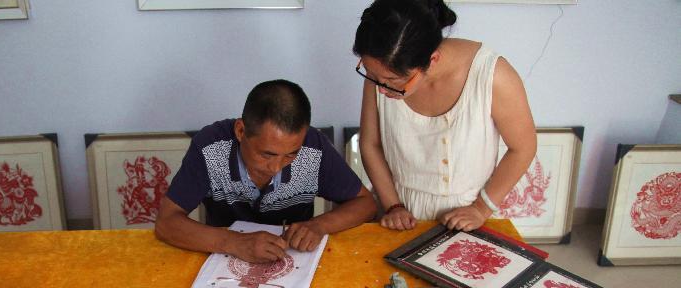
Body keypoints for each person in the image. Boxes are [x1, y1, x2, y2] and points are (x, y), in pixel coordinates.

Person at [353, 0, 536, 232]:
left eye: (393, 82)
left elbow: (524, 147)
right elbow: (370, 144)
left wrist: (481, 208)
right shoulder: (382, 74)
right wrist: (393, 206)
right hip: (398, 210)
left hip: (469, 214)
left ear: (433, 59)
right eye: (370, 74)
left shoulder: (492, 75)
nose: (380, 88)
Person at [155, 80, 377, 263]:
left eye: (291, 154)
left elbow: (365, 203)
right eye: (267, 154)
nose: (276, 167)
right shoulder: (211, 147)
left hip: (292, 259)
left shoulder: (314, 148)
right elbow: (167, 222)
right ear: (241, 131)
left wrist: (319, 225)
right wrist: (233, 242)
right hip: (222, 257)